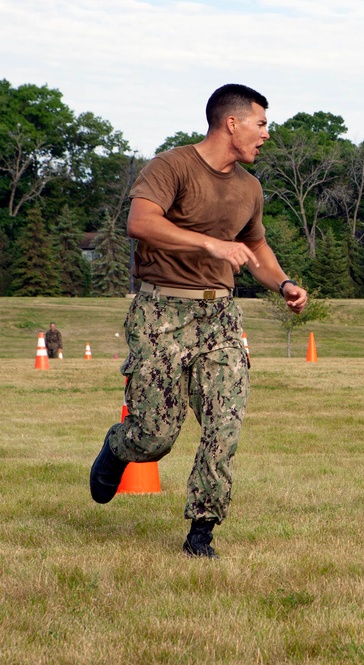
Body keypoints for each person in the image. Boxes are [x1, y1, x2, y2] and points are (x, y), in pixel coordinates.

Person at [89, 84, 308, 558]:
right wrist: (208, 244)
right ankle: (119, 448)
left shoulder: (249, 188)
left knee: (224, 425)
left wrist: (284, 283)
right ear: (232, 123)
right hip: (161, 313)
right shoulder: (172, 166)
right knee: (155, 435)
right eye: (262, 123)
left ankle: (201, 532)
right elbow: (141, 222)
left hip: (220, 317)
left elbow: (256, 249)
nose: (266, 134)